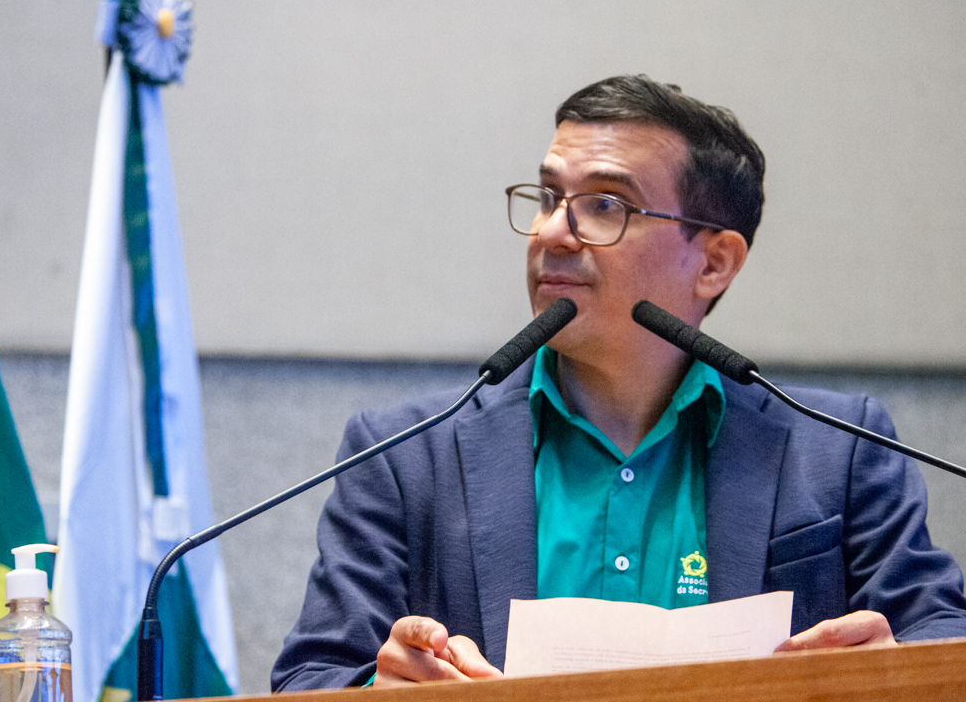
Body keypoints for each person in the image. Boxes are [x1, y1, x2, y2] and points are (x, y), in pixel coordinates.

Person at [270, 75, 966, 692]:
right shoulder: (403, 456)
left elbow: (942, 635)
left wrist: (896, 667)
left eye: (605, 205)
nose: (552, 232)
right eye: (549, 197)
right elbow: (312, 678)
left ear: (714, 263)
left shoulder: (839, 451)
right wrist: (382, 687)